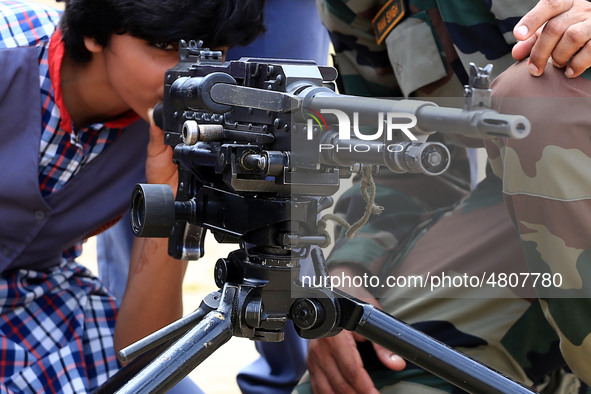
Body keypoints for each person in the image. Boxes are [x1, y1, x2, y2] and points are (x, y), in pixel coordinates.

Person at [294, 0, 591, 392]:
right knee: (377, 366)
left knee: (537, 94)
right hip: (534, 199)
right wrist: (346, 274)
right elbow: (400, 157)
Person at [0, 0, 265, 392]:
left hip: (37, 295)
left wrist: (169, 188)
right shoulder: (9, 54)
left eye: (214, 51)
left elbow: (145, 353)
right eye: (165, 46)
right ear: (93, 33)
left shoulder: (184, 129)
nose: (190, 75)